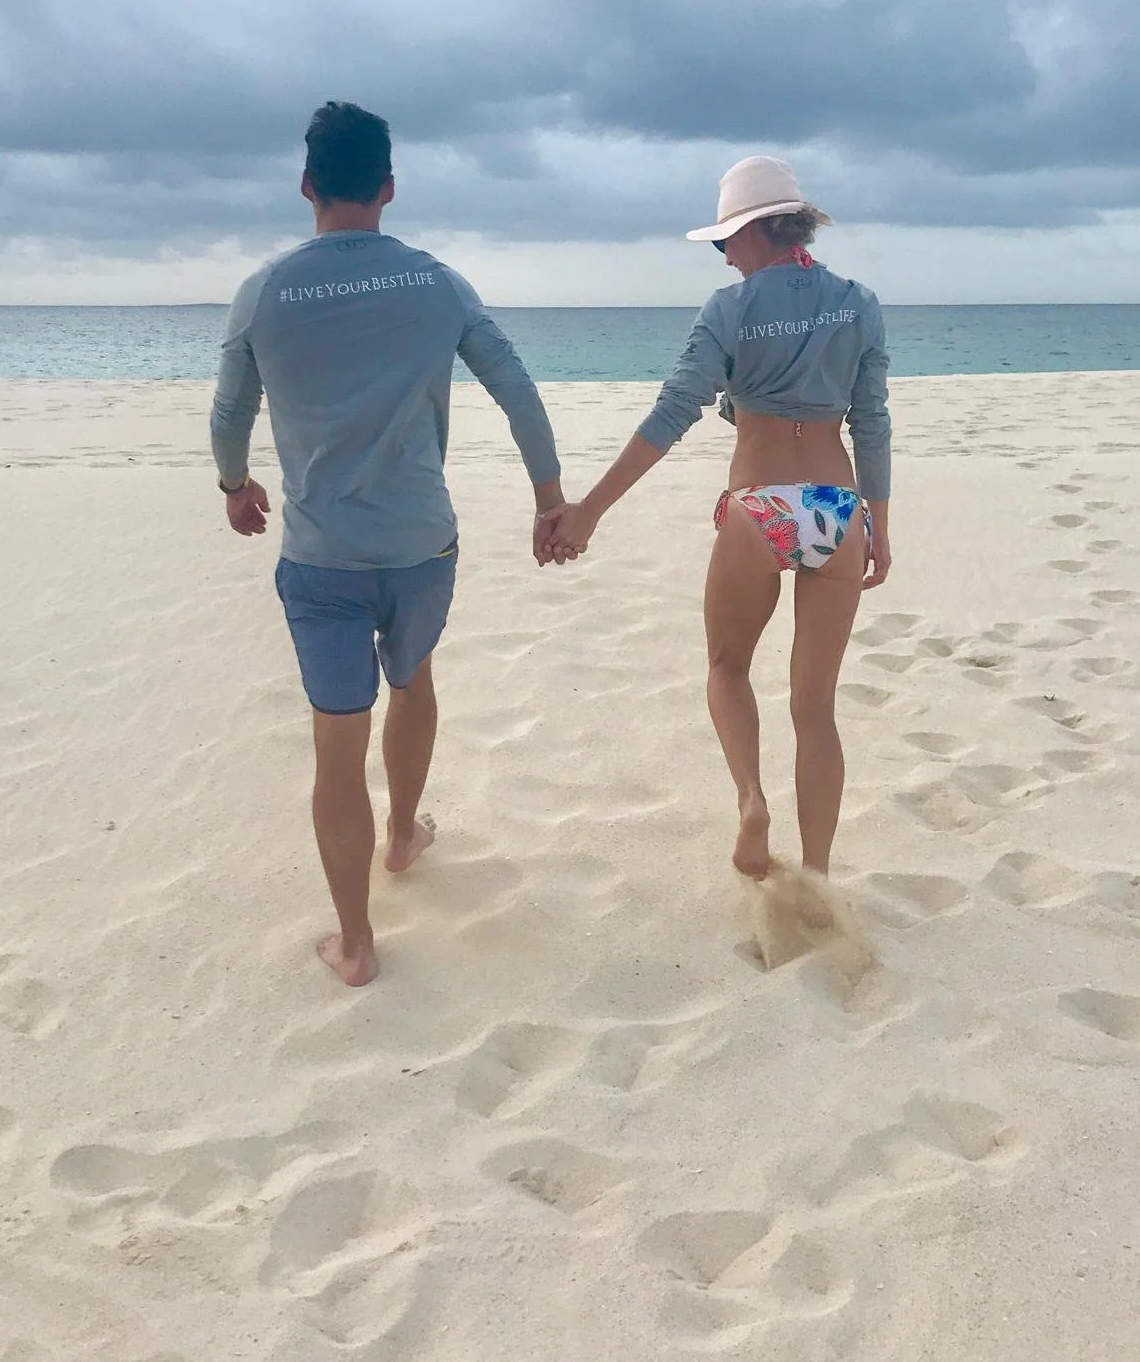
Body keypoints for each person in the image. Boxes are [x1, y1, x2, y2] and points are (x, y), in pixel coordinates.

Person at [211, 101, 566, 987]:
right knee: (414, 684)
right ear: (389, 188)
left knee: (338, 744)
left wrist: (233, 484)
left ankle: (357, 943)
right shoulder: (437, 283)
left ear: (306, 187)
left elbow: (229, 413)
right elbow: (515, 387)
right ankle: (403, 834)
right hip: (420, 549)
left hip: (322, 556)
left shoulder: (264, 290)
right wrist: (549, 496)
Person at [539, 155, 891, 880]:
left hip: (758, 507)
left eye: (724, 239)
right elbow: (873, 422)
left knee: (728, 667)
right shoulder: (858, 301)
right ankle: (818, 877)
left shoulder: (728, 310)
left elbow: (672, 414)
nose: (723, 254)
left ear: (755, 232)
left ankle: (753, 802)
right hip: (834, 507)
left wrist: (590, 512)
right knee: (815, 706)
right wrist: (878, 522)